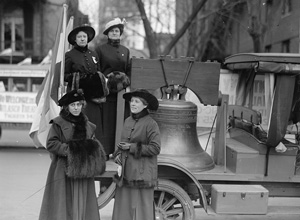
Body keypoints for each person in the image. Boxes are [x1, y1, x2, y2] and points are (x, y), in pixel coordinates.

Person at [39, 89, 106, 220]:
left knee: (83, 202)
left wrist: (92, 149)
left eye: (79, 105)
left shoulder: (88, 125)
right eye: (73, 105)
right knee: (64, 202)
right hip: (63, 169)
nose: (76, 108)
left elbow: (94, 144)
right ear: (67, 107)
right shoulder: (58, 123)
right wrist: (71, 151)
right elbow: (51, 143)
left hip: (84, 171)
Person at [111, 89, 161, 220]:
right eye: (132, 101)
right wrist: (118, 154)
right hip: (126, 172)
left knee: (142, 209)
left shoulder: (151, 124)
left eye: (137, 101)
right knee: (123, 207)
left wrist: (132, 147)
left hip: (142, 174)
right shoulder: (128, 121)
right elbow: (124, 142)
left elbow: (155, 148)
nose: (132, 104)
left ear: (145, 105)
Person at [64, 24, 108, 143]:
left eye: (85, 36)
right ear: (75, 39)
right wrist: (79, 78)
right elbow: (64, 76)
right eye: (80, 37)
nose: (83, 39)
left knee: (94, 124)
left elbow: (99, 72)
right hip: (78, 98)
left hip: (94, 98)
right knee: (80, 126)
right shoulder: (69, 55)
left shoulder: (93, 54)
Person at [95, 17, 131, 157]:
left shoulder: (125, 50)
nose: (115, 33)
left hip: (121, 95)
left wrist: (126, 83)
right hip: (107, 93)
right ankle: (105, 151)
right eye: (112, 31)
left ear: (120, 33)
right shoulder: (100, 50)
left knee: (120, 122)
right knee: (107, 123)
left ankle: (119, 152)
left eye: (117, 31)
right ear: (107, 33)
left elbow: (128, 70)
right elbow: (97, 70)